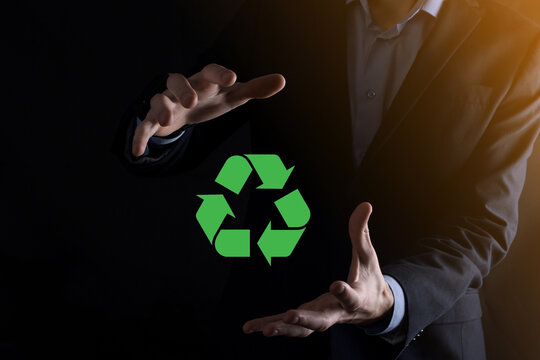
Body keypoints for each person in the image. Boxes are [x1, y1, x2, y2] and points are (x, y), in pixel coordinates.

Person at [114, 0, 540, 358]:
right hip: (270, 323)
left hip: (425, 340)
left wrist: (390, 299)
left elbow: (485, 223)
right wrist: (167, 129)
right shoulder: (284, 13)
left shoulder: (519, 42)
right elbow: (195, 110)